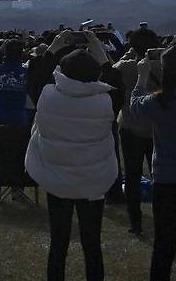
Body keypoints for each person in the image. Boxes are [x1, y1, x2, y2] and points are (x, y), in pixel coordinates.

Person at [26, 47, 118, 281]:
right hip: (93, 182)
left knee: (58, 242)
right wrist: (99, 51)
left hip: (57, 179)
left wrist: (53, 48)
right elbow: (119, 83)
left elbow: (35, 77)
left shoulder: (46, 97)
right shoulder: (107, 101)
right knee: (92, 244)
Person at [131, 44, 176, 281]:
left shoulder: (158, 102)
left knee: (164, 244)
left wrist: (141, 77)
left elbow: (135, 105)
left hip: (167, 179)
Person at [114, 28, 159, 234]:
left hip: (131, 128)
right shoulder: (164, 67)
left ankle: (136, 222)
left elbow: (109, 71)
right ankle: (164, 216)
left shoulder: (126, 67)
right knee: (159, 174)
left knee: (132, 176)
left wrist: (126, 56)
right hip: (157, 129)